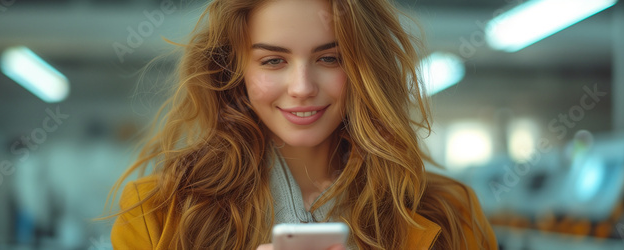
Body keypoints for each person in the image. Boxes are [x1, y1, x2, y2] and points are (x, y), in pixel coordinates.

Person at [106, 0, 497, 249]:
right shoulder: (159, 211)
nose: (302, 88)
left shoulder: (451, 213)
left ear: (365, 70)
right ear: (233, 69)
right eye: (273, 61)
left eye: (329, 59)